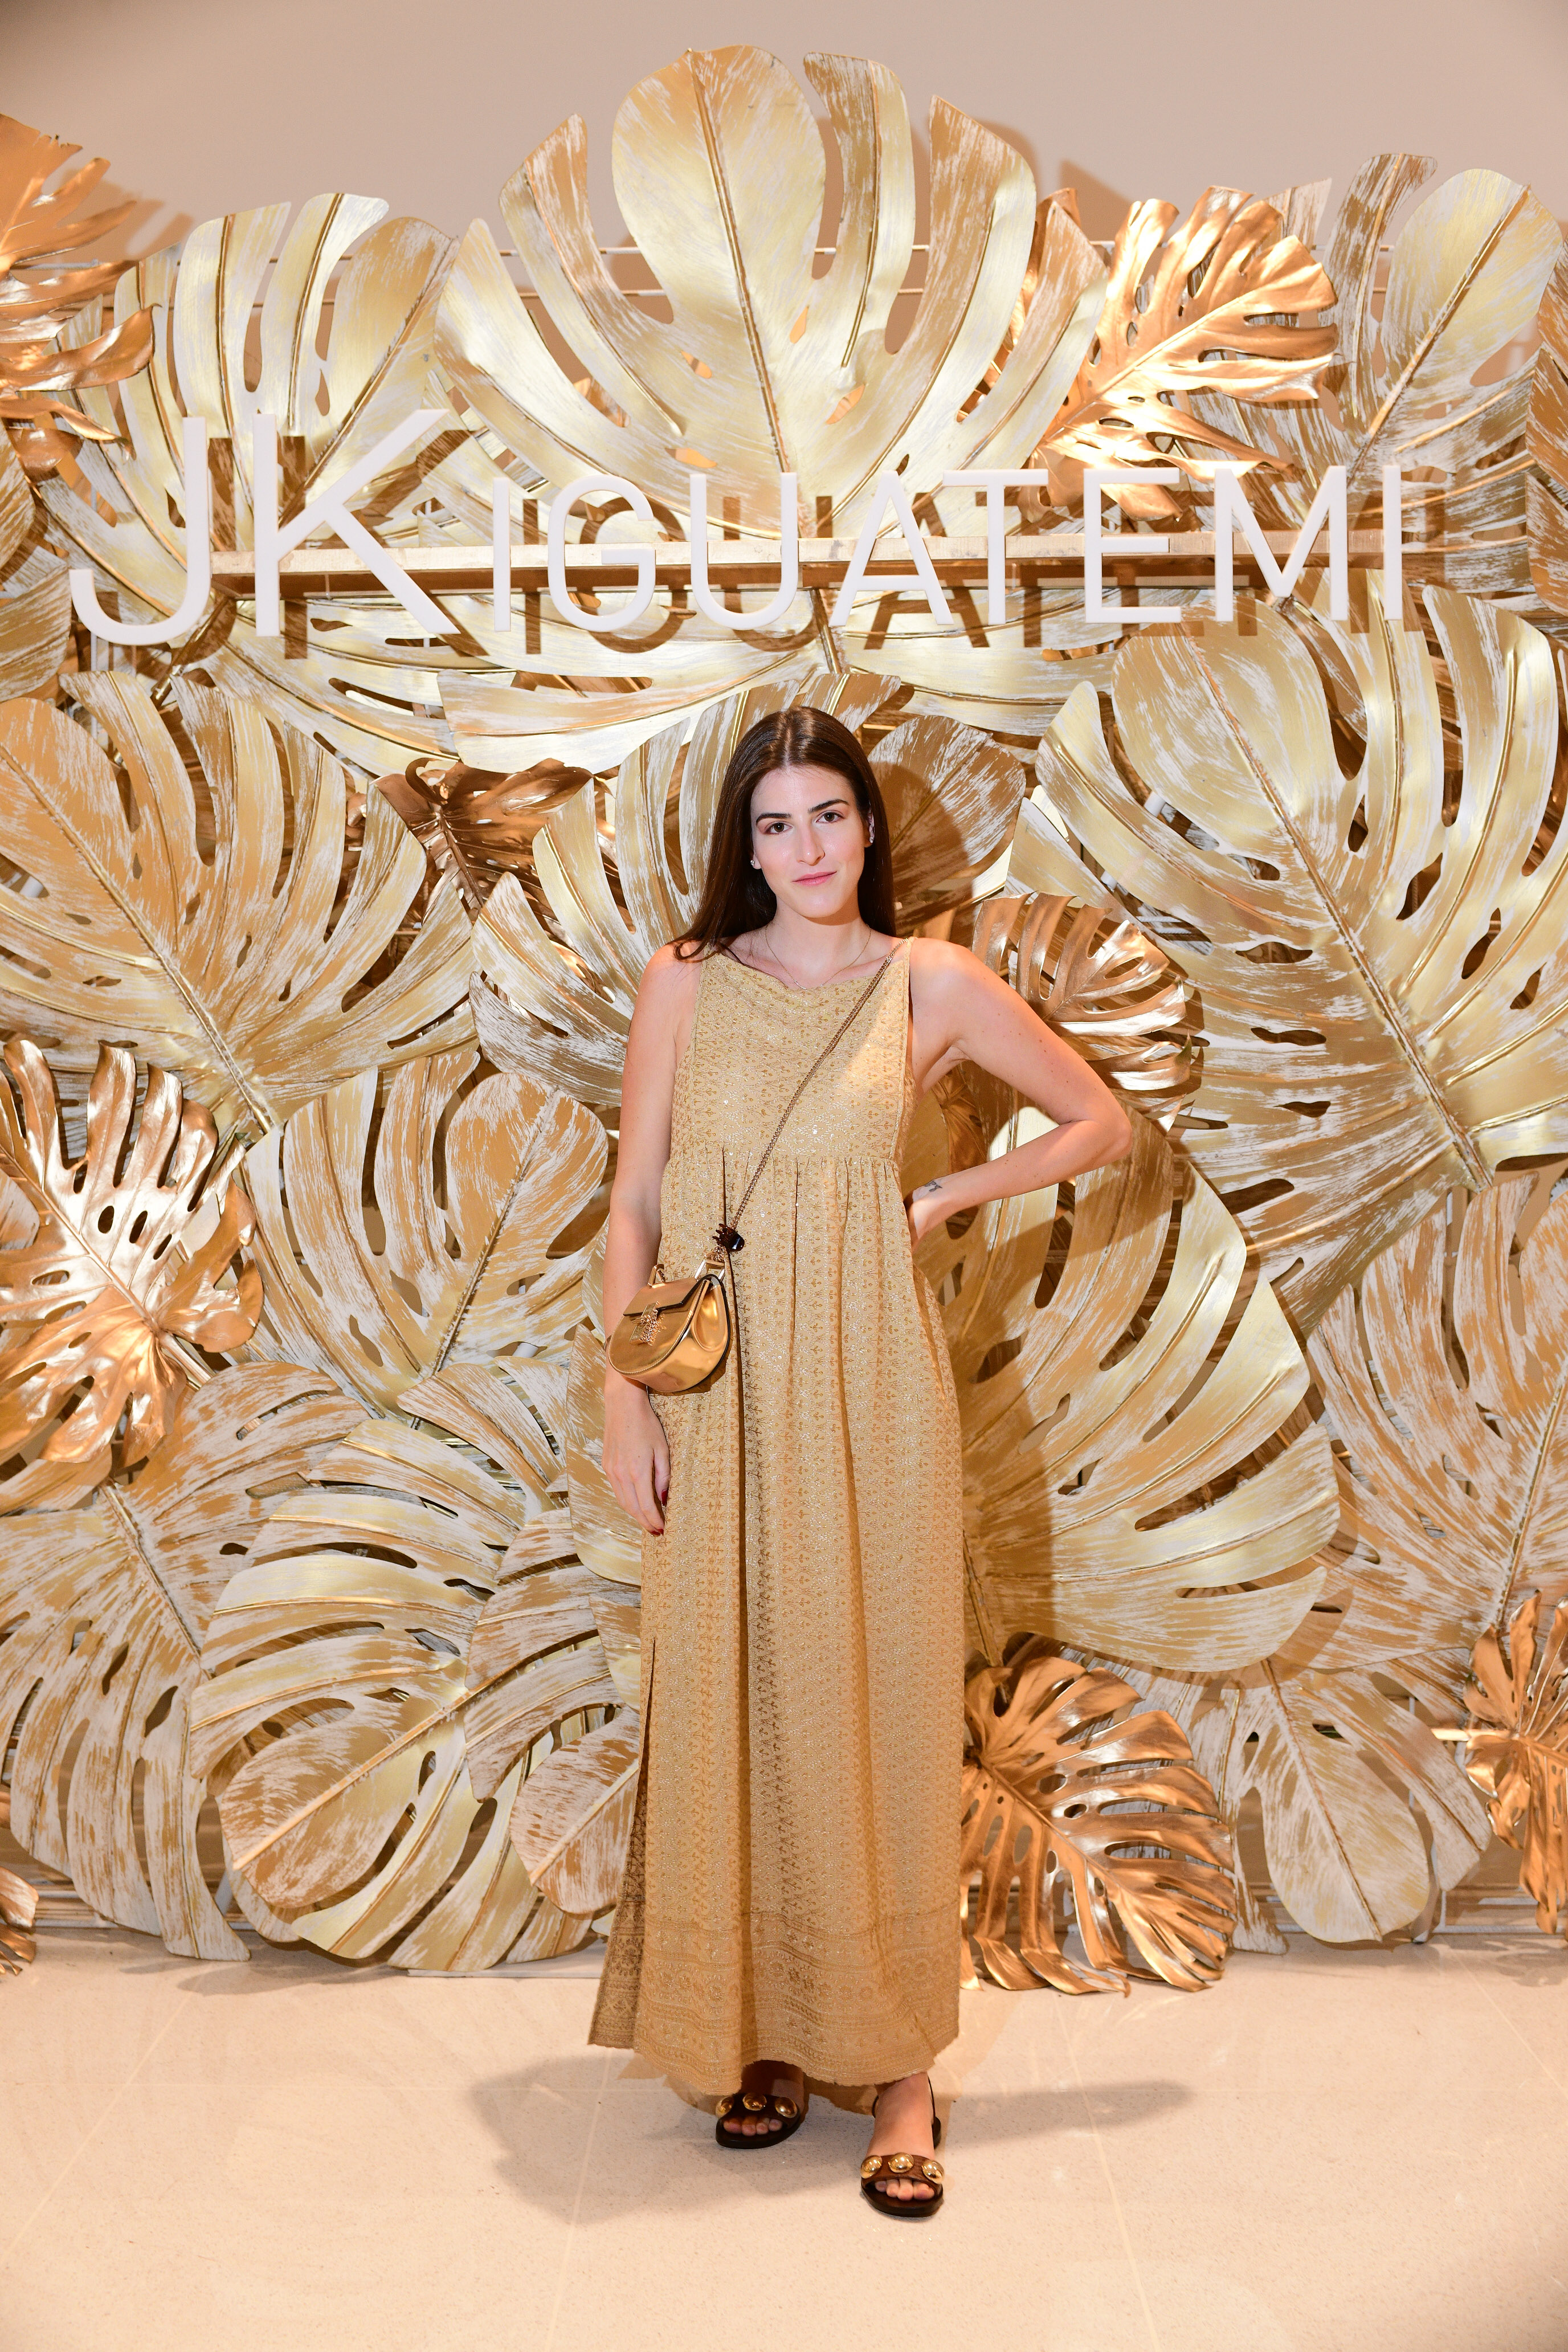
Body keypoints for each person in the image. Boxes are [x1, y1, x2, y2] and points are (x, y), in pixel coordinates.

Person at [589, 705, 1131, 2215]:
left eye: (828, 814)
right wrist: (626, 1400)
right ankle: (757, 2032)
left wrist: (949, 1194)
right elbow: (634, 1201)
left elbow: (1099, 1121)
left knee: (872, 1708)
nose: (806, 846)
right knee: (735, 1699)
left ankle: (900, 2073)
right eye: (775, 824)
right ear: (746, 848)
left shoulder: (928, 984)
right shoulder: (686, 981)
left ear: (868, 827)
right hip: (716, 1393)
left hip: (870, 1386)